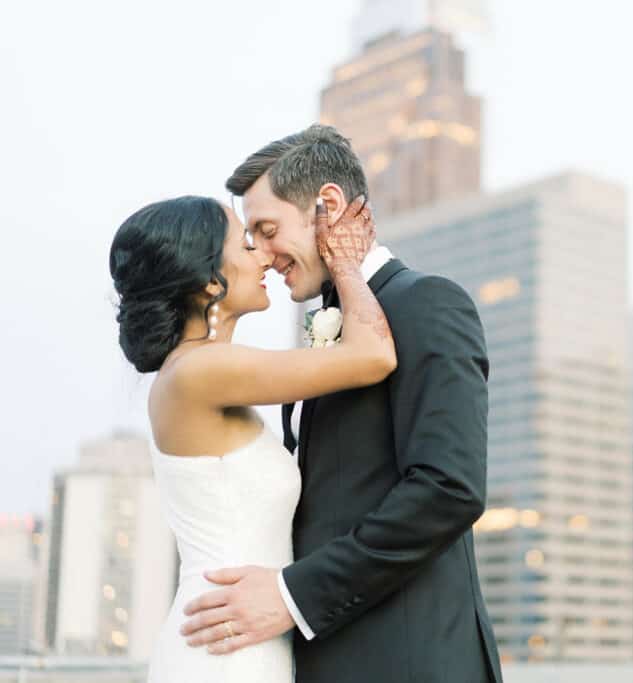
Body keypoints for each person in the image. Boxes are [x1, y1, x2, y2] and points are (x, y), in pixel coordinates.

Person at [178, 124, 503, 683]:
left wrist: (290, 596)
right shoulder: (325, 334)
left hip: (408, 664)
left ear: (327, 204)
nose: (262, 253)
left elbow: (448, 488)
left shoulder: (426, 304)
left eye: (267, 228)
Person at [109, 191, 390, 683]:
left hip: (240, 635)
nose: (263, 255)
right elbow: (374, 356)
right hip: (223, 651)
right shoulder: (200, 370)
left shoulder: (198, 371)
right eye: (245, 245)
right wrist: (346, 263)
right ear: (207, 281)